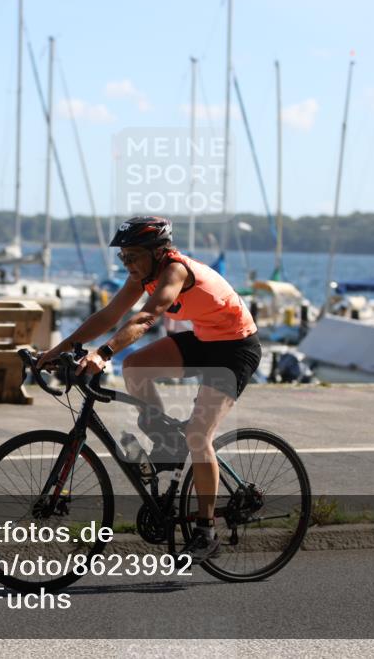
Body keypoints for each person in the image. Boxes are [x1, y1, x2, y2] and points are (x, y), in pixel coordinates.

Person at [38, 216, 261, 562]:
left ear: (158, 252)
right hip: (205, 340)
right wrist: (56, 351)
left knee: (198, 436)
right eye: (122, 257)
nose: (127, 263)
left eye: (133, 256)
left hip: (236, 349)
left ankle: (206, 533)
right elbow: (108, 316)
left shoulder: (175, 271)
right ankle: (165, 439)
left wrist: (103, 353)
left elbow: (145, 319)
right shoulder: (143, 276)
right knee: (135, 367)